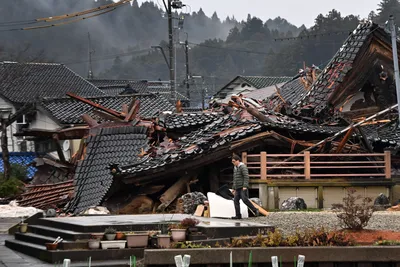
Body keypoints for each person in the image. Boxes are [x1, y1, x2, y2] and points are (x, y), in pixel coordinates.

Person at [231, 154, 259, 219]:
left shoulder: (243, 167)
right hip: (237, 187)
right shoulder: (235, 168)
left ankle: (255, 210)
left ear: (238, 161)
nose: (233, 163)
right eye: (232, 161)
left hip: (242, 187)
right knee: (235, 201)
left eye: (234, 161)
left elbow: (246, 176)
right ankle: (238, 215)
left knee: (245, 199)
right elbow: (235, 178)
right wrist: (233, 188)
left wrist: (245, 186)